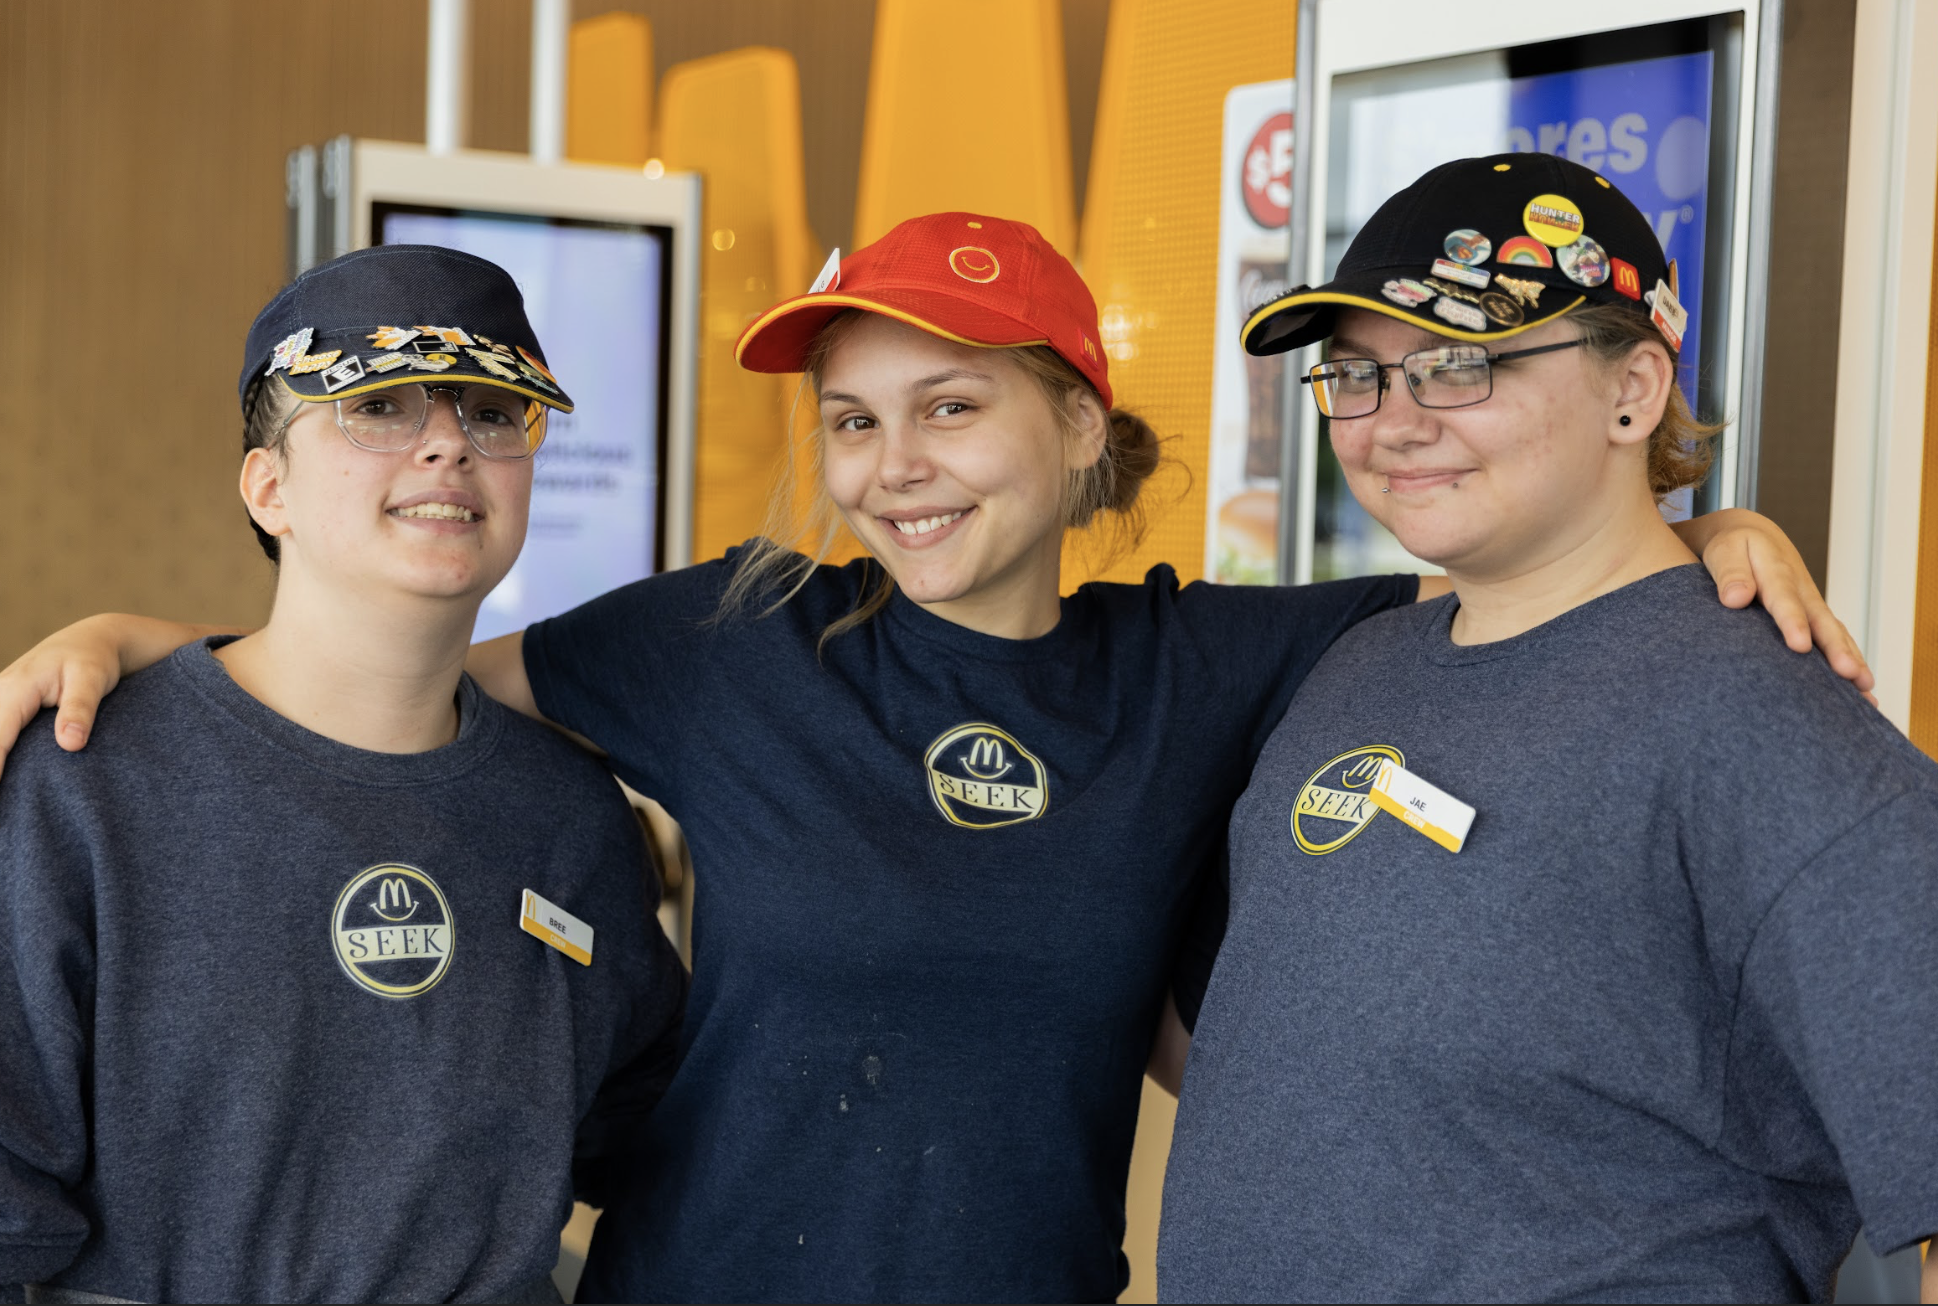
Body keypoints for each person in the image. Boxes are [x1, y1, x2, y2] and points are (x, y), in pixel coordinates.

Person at [0, 215, 1864, 1303]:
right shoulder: (721, 637)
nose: (896, 464)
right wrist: (147, 653)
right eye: (854, 419)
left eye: (953, 407)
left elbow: (1520, 559)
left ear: (1077, 426)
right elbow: (393, 673)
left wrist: (1712, 534)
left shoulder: (1214, 658)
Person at [1157, 153, 1938, 1303]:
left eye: (1458, 363)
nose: (1393, 423)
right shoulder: (1358, 664)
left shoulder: (1764, 721)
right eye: (1357, 378)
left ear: (1634, 390)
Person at [0, 246, 686, 1303]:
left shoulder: (569, 812)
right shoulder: (83, 778)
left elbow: (655, 1146)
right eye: (381, 409)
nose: (449, 446)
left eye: (493, 416)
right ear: (266, 487)